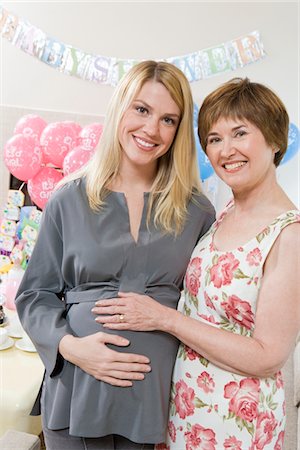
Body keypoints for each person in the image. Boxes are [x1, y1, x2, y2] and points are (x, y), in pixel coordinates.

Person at [15, 60, 215, 450]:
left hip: (154, 399)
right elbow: (34, 296)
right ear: (120, 108)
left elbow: (204, 307)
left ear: (179, 131)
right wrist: (73, 348)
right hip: (77, 390)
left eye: (168, 119)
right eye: (142, 109)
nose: (151, 129)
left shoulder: (197, 211)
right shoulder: (68, 199)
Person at [93, 78, 300, 449]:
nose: (226, 150)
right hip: (188, 410)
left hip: (235, 424)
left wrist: (163, 318)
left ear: (275, 141)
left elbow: (268, 356)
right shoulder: (225, 213)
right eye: (215, 139)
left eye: (240, 133)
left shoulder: (289, 235)